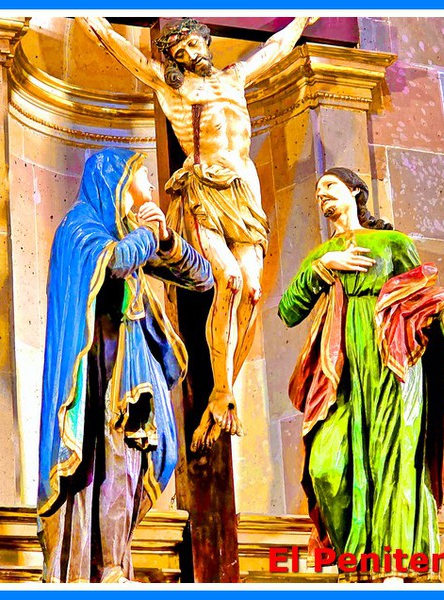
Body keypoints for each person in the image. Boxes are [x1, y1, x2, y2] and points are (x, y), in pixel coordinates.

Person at [76, 17, 318, 452]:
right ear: (174, 58)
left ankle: (225, 391)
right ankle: (221, 390)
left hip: (245, 193)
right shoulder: (174, 89)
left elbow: (276, 48)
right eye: (181, 50)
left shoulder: (235, 77)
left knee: (253, 291)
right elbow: (118, 46)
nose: (191, 53)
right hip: (205, 190)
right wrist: (86, 16)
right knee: (230, 280)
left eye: (194, 43)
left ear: (206, 42)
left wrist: (303, 17)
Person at [278, 167, 444, 582]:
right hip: (340, 372)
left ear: (355, 192)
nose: (322, 194)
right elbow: (288, 311)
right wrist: (323, 267)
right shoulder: (322, 256)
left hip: (393, 365)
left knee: (394, 463)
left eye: (331, 186)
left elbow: (423, 298)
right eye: (318, 190)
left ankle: (394, 568)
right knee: (326, 467)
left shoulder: (392, 244)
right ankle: (354, 564)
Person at [37, 148, 214, 583]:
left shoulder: (131, 236)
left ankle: (115, 565)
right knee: (102, 463)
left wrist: (166, 239)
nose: (150, 186)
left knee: (130, 463)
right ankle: (96, 570)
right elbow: (115, 261)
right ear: (116, 181)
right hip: (92, 376)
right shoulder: (78, 229)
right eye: (142, 175)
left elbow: (202, 278)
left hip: (132, 370)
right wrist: (148, 235)